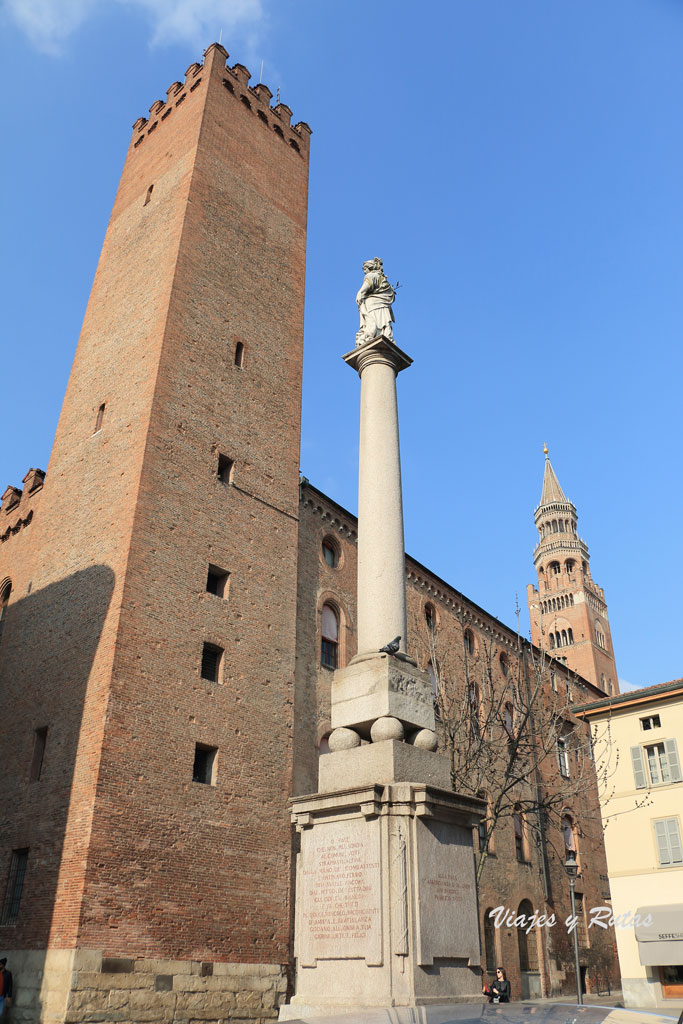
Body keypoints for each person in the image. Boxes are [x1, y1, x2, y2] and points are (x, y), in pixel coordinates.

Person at [355, 257, 396, 346]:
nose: (364, 272)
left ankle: (372, 335)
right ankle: (384, 335)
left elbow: (365, 288)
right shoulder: (383, 280)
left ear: (369, 268)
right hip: (384, 306)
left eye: (365, 269)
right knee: (384, 323)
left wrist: (359, 295)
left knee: (374, 322)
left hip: (373, 305)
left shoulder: (371, 276)